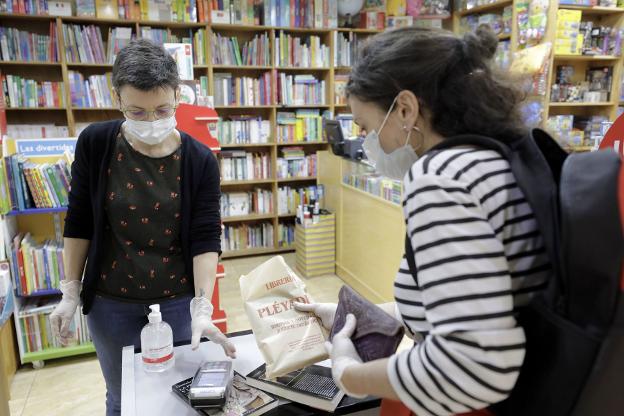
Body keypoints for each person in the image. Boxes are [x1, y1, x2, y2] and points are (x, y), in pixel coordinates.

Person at [297, 26, 551, 416]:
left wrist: (348, 373)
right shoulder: (494, 157)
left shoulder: (440, 177)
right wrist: (363, 317)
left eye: (365, 127)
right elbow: (474, 298)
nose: (367, 144)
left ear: (405, 109)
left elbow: (471, 366)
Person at [49, 39, 235, 416]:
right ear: (117, 98)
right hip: (110, 302)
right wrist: (70, 289)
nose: (151, 121)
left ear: (177, 97)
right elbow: (79, 220)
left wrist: (202, 306)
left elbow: (204, 237)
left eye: (162, 110)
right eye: (137, 111)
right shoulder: (96, 143)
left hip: (178, 302)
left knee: (179, 397)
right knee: (123, 398)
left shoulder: (198, 160)